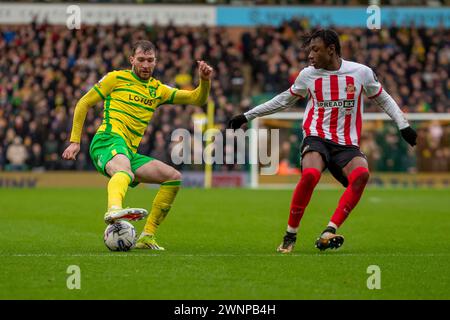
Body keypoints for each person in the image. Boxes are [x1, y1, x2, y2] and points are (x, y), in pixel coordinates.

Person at [228, 29, 417, 253]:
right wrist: (247, 115)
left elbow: (383, 98)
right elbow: (283, 101)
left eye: (315, 50)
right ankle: (290, 235)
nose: (310, 56)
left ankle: (329, 230)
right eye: (309, 51)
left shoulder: (360, 73)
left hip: (346, 144)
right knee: (310, 174)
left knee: (362, 175)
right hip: (316, 136)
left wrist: (403, 125)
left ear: (331, 50)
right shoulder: (308, 75)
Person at [62, 40, 213, 250]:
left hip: (128, 152)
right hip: (108, 139)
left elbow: (197, 99)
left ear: (155, 62)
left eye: (150, 60)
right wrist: (74, 141)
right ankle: (114, 209)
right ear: (132, 59)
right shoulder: (116, 78)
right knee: (125, 171)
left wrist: (204, 80)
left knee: (173, 177)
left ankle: (147, 237)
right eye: (141, 59)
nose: (145, 65)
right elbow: (83, 103)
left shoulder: (157, 90)